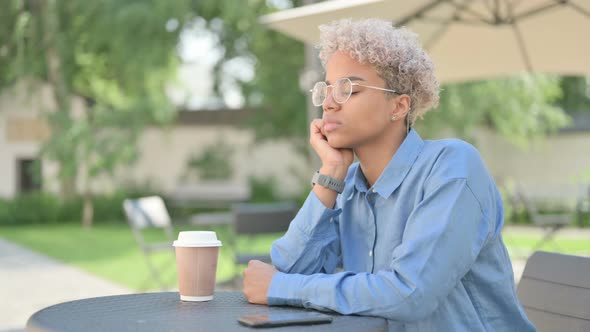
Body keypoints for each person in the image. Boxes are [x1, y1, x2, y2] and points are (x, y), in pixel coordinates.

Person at [242, 18, 536, 331]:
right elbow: (287, 270)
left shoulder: (453, 169)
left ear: (398, 106)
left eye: (348, 89)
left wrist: (282, 288)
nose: (328, 104)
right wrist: (330, 173)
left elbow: (409, 294)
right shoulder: (350, 186)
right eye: (326, 89)